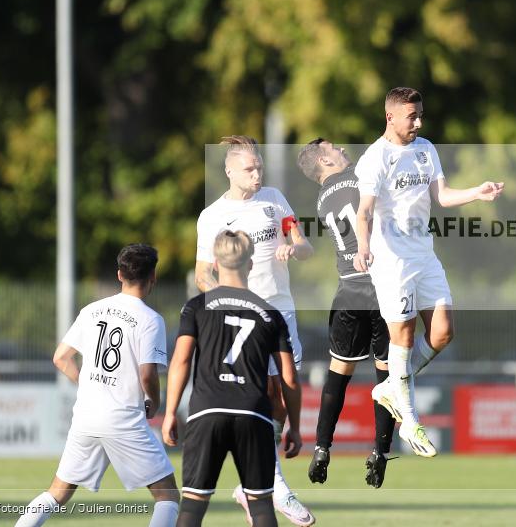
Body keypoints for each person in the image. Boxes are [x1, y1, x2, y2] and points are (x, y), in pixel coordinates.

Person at [352, 87, 504, 457]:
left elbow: (442, 196)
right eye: (412, 116)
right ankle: (410, 422)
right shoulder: (375, 158)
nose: (418, 122)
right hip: (393, 262)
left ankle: (391, 386)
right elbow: (365, 210)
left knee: (443, 332)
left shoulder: (426, 150)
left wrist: (477, 192)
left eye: (420, 115)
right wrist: (363, 245)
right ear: (390, 117)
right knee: (403, 337)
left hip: (424, 256)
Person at [194, 136, 314, 526]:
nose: (256, 174)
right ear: (229, 170)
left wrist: (293, 249)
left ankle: (256, 485)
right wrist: (227, 300)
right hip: (246, 319)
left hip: (282, 310)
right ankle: (273, 485)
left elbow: (304, 245)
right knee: (259, 393)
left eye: (259, 166)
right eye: (249, 168)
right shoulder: (212, 216)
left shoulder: (275, 200)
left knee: (282, 394)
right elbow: (201, 273)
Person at [15, 244, 179, 527]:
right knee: (168, 497)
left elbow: (60, 358)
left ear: (119, 275)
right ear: (153, 276)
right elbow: (147, 374)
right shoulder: (151, 320)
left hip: (86, 418)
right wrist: (154, 401)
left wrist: (89, 385)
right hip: (123, 419)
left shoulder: (92, 310)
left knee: (57, 493)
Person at [164, 230, 303, 527]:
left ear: (215, 264)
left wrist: (170, 412)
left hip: (206, 411)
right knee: (261, 506)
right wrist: (294, 425)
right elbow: (289, 378)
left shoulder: (196, 306)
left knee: (192, 506)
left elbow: (181, 360)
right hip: (254, 414)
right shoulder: (270, 314)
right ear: (250, 264)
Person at [296, 138, 396, 488]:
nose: (341, 148)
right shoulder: (359, 176)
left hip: (348, 290)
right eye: (333, 148)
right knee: (387, 376)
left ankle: (322, 447)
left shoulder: (322, 198)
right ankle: (380, 452)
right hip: (380, 285)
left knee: (338, 375)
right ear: (324, 160)